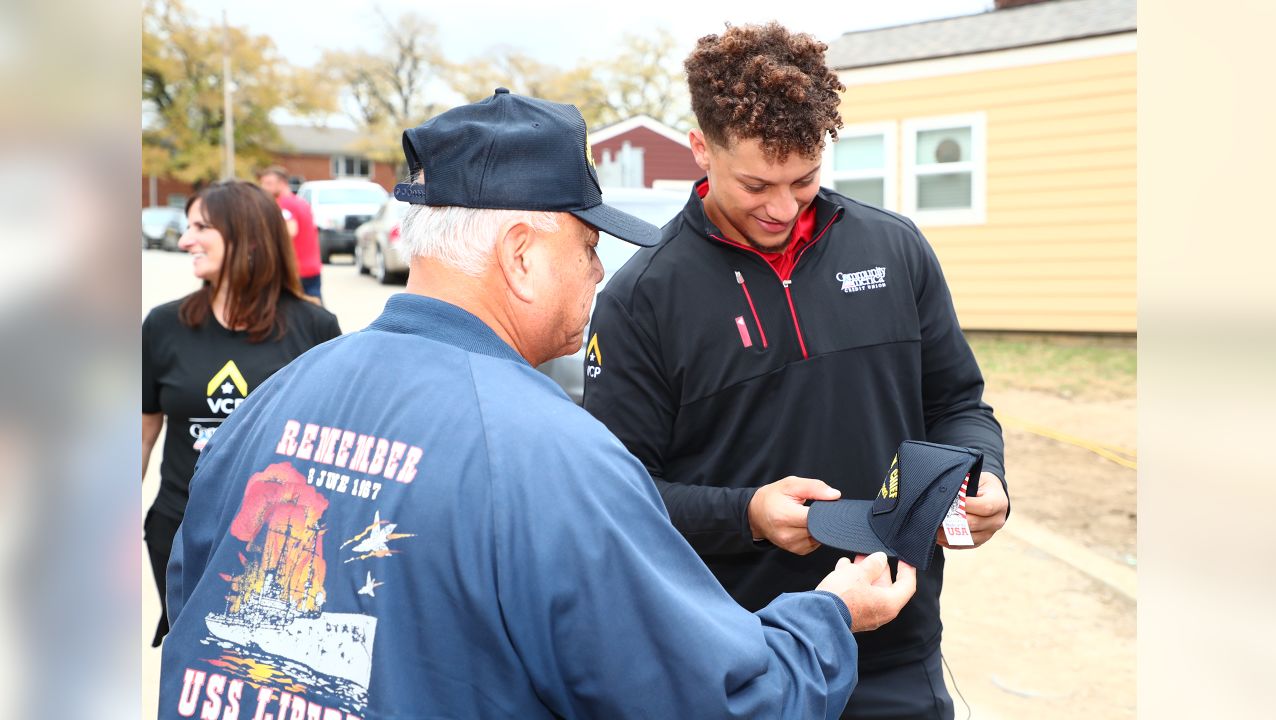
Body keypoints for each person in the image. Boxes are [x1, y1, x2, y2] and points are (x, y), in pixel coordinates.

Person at [158, 89, 917, 720]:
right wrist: (831, 618)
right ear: (521, 254)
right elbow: (711, 700)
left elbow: (189, 593)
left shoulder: (278, 398)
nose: (597, 273)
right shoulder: (550, 452)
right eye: (587, 247)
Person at [581, 23, 1009, 720]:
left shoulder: (896, 250)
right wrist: (744, 514)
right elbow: (614, 501)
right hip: (736, 660)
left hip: (897, 650)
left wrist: (984, 474)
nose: (782, 208)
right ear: (700, 150)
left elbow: (959, 403)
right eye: (756, 184)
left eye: (804, 180)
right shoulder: (641, 301)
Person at [142, 181, 341, 648]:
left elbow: (332, 444)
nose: (185, 240)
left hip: (271, 543)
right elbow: (144, 429)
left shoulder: (315, 328)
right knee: (189, 663)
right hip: (179, 532)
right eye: (187, 226)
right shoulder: (164, 325)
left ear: (249, 238)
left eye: (201, 227)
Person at [257, 166, 323, 301]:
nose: (263, 188)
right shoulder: (301, 202)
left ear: (281, 183)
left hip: (295, 270)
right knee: (315, 312)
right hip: (312, 267)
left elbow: (290, 230)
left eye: (268, 183)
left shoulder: (283, 204)